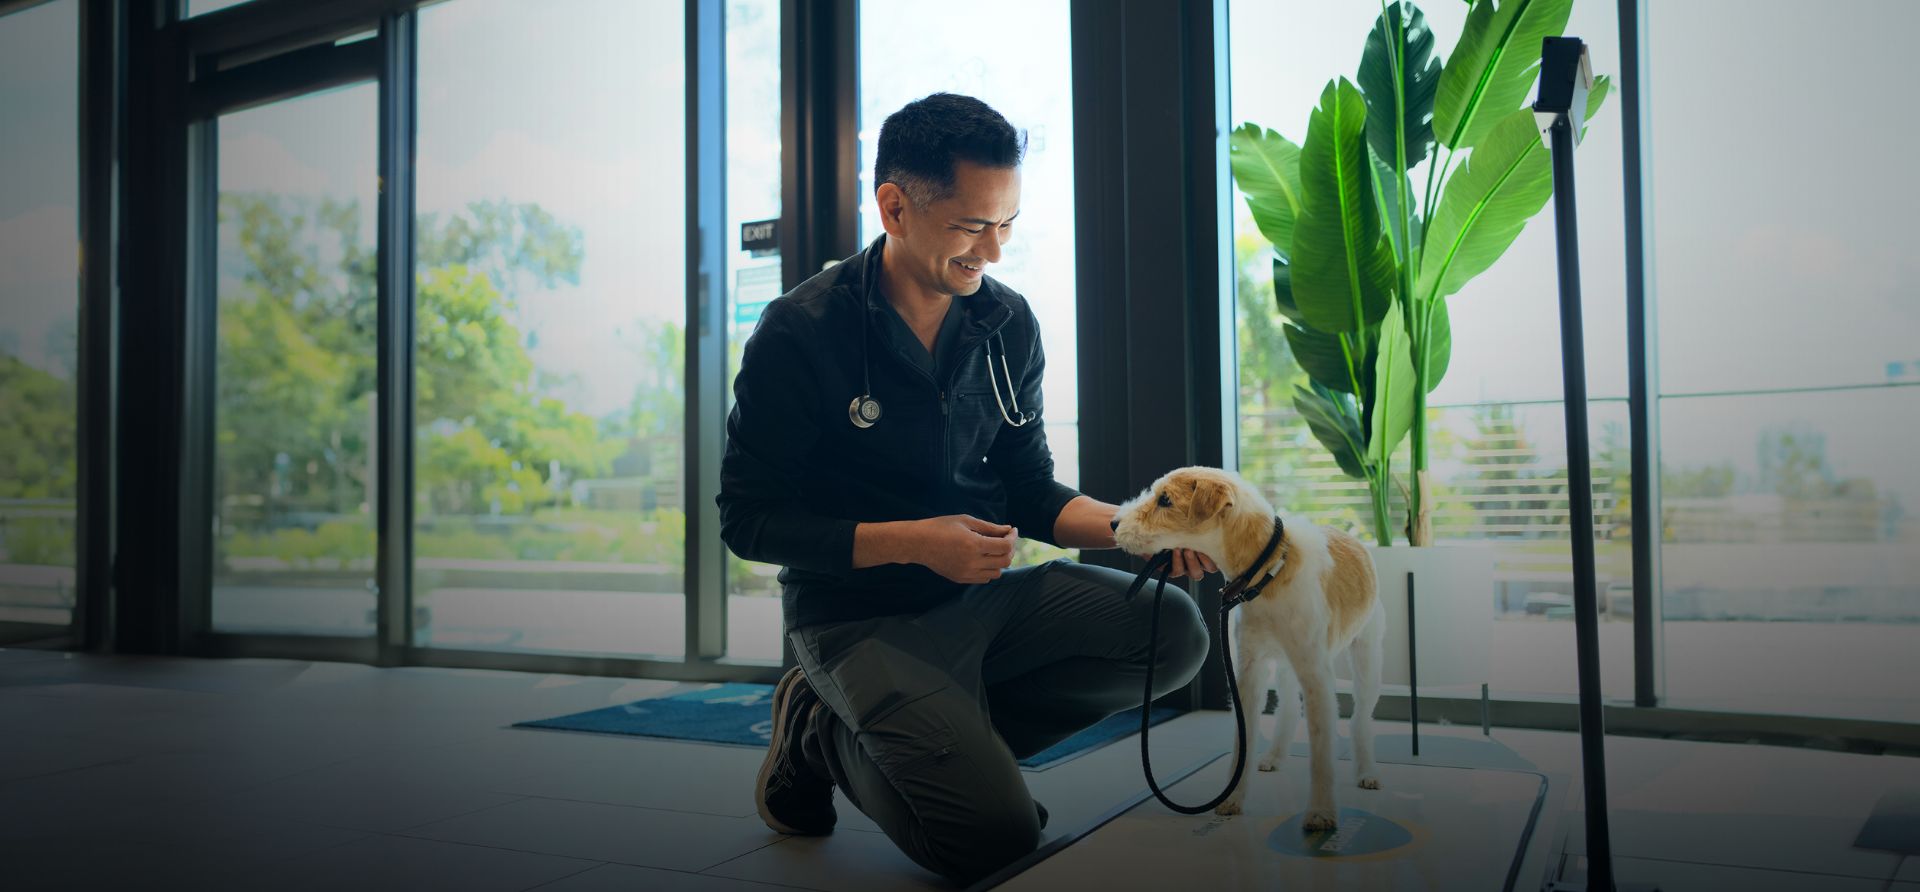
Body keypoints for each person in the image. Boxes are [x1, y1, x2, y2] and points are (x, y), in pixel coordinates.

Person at [716, 92, 1213, 885]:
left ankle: (940, 735)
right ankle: (821, 727)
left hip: (980, 607)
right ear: (895, 207)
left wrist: (1139, 529)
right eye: (972, 226)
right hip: (856, 620)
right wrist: (914, 542)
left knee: (1174, 632)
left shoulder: (1006, 325)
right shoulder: (801, 331)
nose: (995, 251)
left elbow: (1028, 490)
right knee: (994, 839)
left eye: (1007, 223)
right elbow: (747, 520)